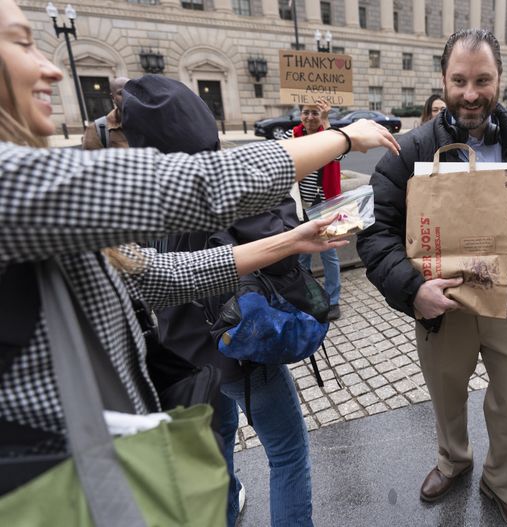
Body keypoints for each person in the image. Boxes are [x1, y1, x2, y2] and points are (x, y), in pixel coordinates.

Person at [0, 0, 399, 499]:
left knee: (219, 451)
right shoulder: (10, 185)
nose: (52, 67)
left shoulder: (46, 204)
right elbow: (203, 186)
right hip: (59, 483)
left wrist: (295, 238)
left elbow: (165, 276)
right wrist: (342, 137)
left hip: (115, 445)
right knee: (287, 452)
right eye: (21, 41)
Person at [357, 28, 507, 527]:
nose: (470, 93)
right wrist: (412, 288)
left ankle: (504, 484)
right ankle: (453, 460)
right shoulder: (410, 150)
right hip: (442, 301)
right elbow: (375, 233)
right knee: (446, 390)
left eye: (482, 79)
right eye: (459, 80)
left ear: (498, 79)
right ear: (444, 80)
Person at [122, 74, 314, 527]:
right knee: (286, 453)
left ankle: (226, 513)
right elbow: (281, 241)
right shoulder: (225, 182)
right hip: (243, 350)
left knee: (218, 442)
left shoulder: (137, 193)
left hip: (182, 351)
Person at [284, 100, 343, 320]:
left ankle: (333, 300)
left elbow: (337, 154)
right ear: (300, 115)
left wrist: (327, 120)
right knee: (301, 257)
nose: (310, 117)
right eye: (306, 112)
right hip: (298, 207)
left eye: (315, 113)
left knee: (330, 254)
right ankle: (306, 296)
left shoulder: (330, 135)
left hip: (323, 204)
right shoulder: (289, 136)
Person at [82, 76, 129, 149]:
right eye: (121, 93)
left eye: (131, 92)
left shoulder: (149, 121)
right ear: (113, 97)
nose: (128, 97)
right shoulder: (96, 130)